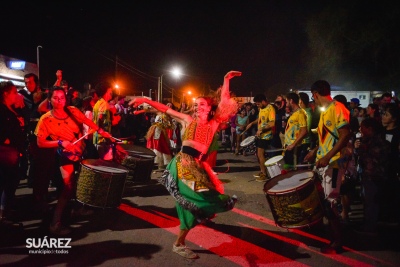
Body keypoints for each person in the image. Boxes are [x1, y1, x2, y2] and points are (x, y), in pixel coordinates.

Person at [129, 70, 240, 259]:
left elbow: (224, 101)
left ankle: (184, 235)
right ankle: (179, 242)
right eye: (196, 105)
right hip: (181, 165)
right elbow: (165, 109)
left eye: (201, 104)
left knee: (193, 203)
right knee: (194, 202)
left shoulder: (213, 124)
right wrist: (146, 100)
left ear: (209, 108)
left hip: (196, 167)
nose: (197, 107)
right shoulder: (187, 120)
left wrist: (226, 80)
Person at [35, 87, 112, 235]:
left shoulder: (72, 110)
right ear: (50, 99)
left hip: (82, 151)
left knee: (83, 181)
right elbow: (40, 143)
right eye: (56, 98)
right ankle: (55, 223)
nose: (59, 101)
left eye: (62, 97)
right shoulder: (45, 119)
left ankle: (78, 209)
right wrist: (59, 143)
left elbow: (87, 121)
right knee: (67, 187)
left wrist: (101, 131)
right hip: (65, 155)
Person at [304, 80, 351, 254]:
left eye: (313, 97)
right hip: (324, 162)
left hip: (334, 164)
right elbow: (328, 137)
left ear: (315, 94)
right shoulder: (326, 111)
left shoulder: (337, 108)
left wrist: (327, 157)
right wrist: (315, 151)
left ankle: (337, 241)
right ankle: (328, 233)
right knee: (322, 200)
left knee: (331, 202)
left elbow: (345, 135)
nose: (313, 100)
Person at [353, 118, 390, 234]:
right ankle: (367, 223)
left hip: (374, 176)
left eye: (362, 127)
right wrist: (356, 148)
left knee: (372, 202)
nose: (360, 129)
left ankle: (370, 227)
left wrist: (362, 149)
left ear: (370, 129)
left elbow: (375, 160)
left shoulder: (378, 141)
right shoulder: (366, 141)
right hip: (367, 176)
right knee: (367, 201)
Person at [0, 81, 25, 228]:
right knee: (6, 182)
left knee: (11, 182)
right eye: (14, 92)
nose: (17, 95)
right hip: (5, 153)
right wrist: (6, 141)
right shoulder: (2, 110)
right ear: (6, 93)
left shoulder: (13, 108)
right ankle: (2, 215)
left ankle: (6, 211)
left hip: (13, 152)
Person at [245, 94, 276, 182]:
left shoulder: (270, 108)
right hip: (260, 135)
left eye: (258, 103)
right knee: (258, 155)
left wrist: (262, 129)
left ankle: (264, 174)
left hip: (266, 135)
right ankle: (262, 171)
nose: (257, 105)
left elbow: (272, 123)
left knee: (260, 154)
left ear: (263, 101)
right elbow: (260, 119)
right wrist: (251, 123)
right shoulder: (262, 109)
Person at [380, 103, 400, 224]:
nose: (383, 116)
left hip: (392, 167)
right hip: (379, 167)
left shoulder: (397, 133)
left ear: (394, 118)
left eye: (386, 115)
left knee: (392, 192)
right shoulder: (380, 131)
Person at [283, 92, 308, 169]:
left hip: (294, 147)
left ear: (291, 101)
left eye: (286, 102)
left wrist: (293, 144)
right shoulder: (294, 113)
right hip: (289, 146)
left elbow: (304, 131)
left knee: (293, 171)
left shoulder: (300, 113)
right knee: (288, 169)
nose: (286, 104)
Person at [92, 82, 116, 161]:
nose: (111, 94)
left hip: (96, 138)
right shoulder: (104, 104)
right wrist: (104, 133)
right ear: (105, 93)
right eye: (110, 92)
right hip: (102, 139)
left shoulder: (97, 103)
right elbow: (100, 118)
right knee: (105, 163)